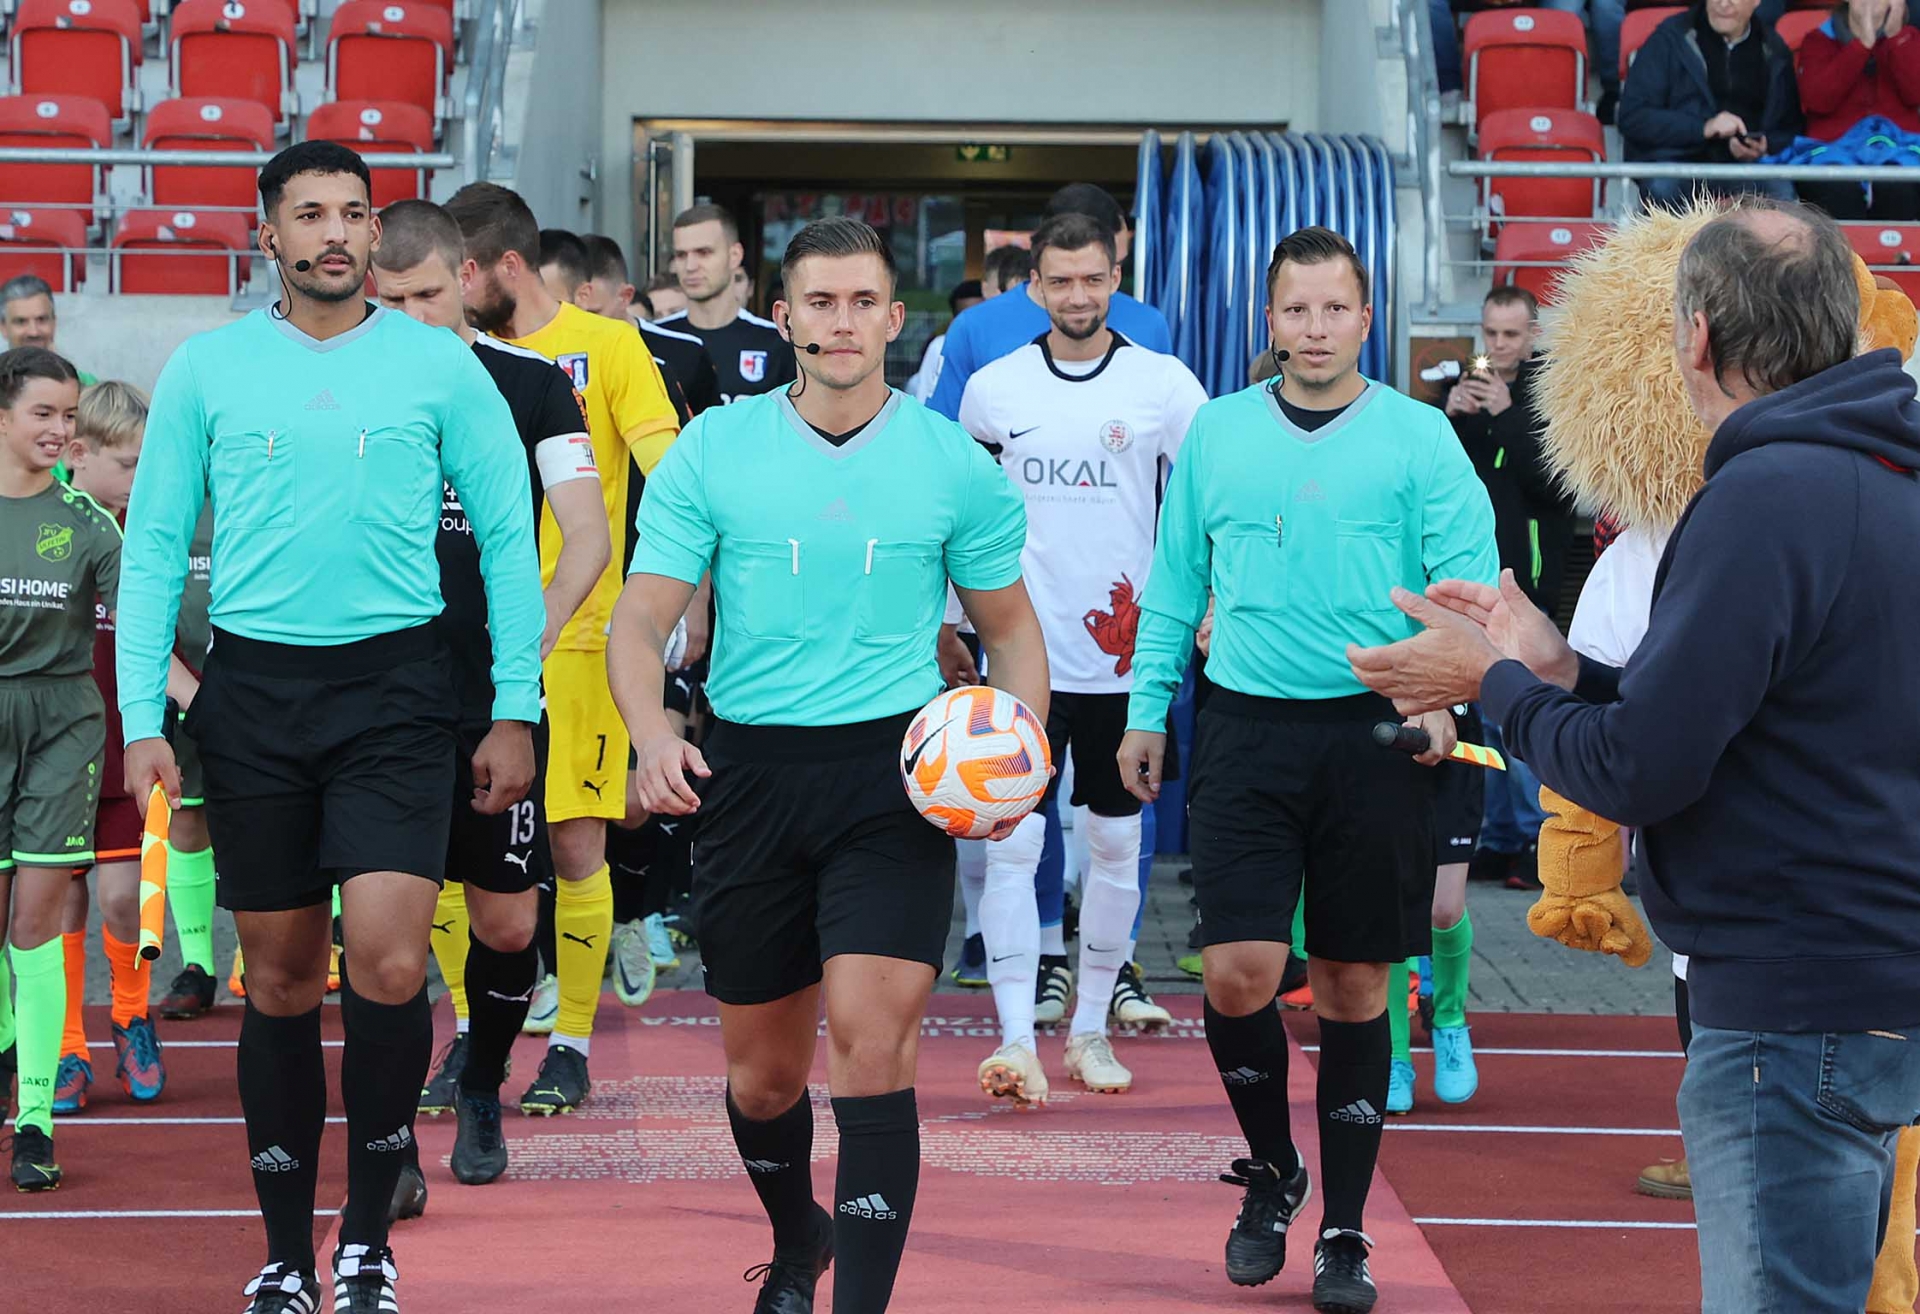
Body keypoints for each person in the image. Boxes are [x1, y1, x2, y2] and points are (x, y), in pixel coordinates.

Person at [1348, 198, 1920, 1314]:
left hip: (1786, 995)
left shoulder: (1764, 496)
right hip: (1866, 976)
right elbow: (1757, 715)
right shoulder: (1880, 481)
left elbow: (1641, 769)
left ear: (1695, 336)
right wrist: (1559, 668)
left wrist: (1488, 684)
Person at [118, 142, 547, 1314]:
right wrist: (139, 715)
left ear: (374, 230)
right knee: (280, 983)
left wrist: (517, 705)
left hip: (400, 694)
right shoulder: (207, 368)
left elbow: (511, 543)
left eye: (351, 213)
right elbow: (153, 545)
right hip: (254, 697)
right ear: (268, 236)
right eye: (308, 215)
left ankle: (367, 1241)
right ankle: (283, 1256)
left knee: (394, 963)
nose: (334, 234)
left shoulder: (439, 367)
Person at [608, 215, 1048, 1314]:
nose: (841, 322)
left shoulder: (955, 465)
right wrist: (657, 734)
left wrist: (1014, 759)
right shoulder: (714, 448)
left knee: (871, 1048)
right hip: (749, 778)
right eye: (820, 302)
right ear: (786, 316)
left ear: (897, 320)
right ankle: (796, 1237)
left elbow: (1014, 633)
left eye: (863, 302)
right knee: (762, 1077)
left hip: (893, 785)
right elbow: (637, 622)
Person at [1117, 226, 1496, 1313]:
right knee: (1236, 972)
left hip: (1377, 738)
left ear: (1365, 320)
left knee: (1351, 988)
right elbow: (1176, 584)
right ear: (1269, 321)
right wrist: (1149, 712)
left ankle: (1343, 1229)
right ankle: (1273, 1172)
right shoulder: (1219, 436)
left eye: (1336, 309)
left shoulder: (1422, 442)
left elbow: (1470, 592)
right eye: (1297, 310)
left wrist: (1445, 704)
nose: (1316, 329)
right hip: (1242, 730)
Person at [368, 199, 611, 1210]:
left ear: (466, 280)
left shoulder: (528, 383)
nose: (409, 315)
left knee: (510, 926)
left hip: (498, 698)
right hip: (378, 703)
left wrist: (535, 636)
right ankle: (389, 1153)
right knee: (388, 935)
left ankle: (478, 1081)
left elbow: (587, 535)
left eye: (426, 294)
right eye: (390, 300)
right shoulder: (353, 386)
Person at [444, 181, 682, 1116]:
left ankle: (573, 1045)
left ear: (503, 267)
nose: (444, 302)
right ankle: (470, 1036)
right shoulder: (446, 364)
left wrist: (675, 602)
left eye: (455, 281)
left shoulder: (610, 347)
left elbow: (670, 474)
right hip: (467, 645)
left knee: (578, 840)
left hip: (580, 638)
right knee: (452, 850)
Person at [958, 211, 1203, 1104]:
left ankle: (1091, 1031)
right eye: (1059, 281)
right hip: (1021, 658)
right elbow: (966, 512)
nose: (1077, 296)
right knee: (1012, 849)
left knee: (1111, 843)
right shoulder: (992, 388)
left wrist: (1202, 600)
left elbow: (1203, 502)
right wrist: (954, 619)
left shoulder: (1165, 386)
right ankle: (1018, 1039)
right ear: (1035, 286)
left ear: (1116, 277)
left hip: (1125, 662)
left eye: (1092, 279)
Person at [0, 347, 113, 1191]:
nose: (59, 429)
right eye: (43, 412)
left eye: (68, 416)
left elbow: (141, 623)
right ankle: (12, 1046)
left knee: (34, 922)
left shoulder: (88, 524)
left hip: (64, 723)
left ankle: (33, 1118)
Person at [51, 382, 171, 1116]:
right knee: (60, 900)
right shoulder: (49, 526)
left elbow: (152, 637)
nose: (140, 479)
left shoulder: (149, 531)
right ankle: (68, 1044)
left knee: (124, 900)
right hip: (59, 749)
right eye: (128, 465)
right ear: (80, 456)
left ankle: (131, 1014)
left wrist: (199, 704)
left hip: (129, 745)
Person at [1440, 285, 1560, 889]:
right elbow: (1442, 484)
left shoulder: (1552, 392)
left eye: (1511, 334)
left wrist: (1506, 412)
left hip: (1528, 583)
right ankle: (1501, 836)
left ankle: (1541, 839)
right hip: (1472, 578)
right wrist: (1452, 418)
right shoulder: (1460, 388)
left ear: (1533, 335)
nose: (1499, 345)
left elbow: (1553, 483)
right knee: (1483, 719)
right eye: (1490, 333)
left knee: (1522, 715)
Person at [929, 185, 1172, 421]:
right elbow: (943, 436)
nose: (1081, 296)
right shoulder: (974, 327)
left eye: (1101, 273)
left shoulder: (1149, 325)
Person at [1618, 0, 1801, 208]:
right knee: (1662, 187)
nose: (1723, 4)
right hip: (1677, 165)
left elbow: (1791, 127)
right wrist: (1704, 128)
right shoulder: (1670, 39)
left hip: (1748, 169)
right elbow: (1632, 117)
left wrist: (1765, 144)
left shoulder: (1774, 49)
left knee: (1781, 192)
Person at [659, 203, 798, 401]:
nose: (690, 266)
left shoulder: (778, 343)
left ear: (735, 256)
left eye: (704, 253)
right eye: (681, 255)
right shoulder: (653, 339)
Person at [1795, 1, 1920, 220]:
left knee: (1897, 187)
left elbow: (1916, 93)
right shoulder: (1817, 40)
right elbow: (1818, 100)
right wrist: (1862, 45)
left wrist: (1895, 38)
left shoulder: (1909, 38)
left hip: (1901, 151)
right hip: (1832, 151)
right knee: (1837, 189)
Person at [0, 276, 96, 384]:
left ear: (54, 322)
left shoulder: (86, 386)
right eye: (21, 321)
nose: (34, 332)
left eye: (42, 319)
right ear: (3, 327)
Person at [905, 280, 983, 403]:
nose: (974, 323)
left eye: (980, 314)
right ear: (954, 319)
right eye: (966, 317)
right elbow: (923, 397)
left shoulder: (1004, 347)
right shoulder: (940, 346)